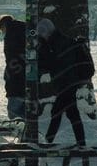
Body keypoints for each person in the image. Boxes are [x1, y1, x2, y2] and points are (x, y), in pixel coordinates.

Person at [36, 17, 93, 148]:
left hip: (66, 83)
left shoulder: (56, 43)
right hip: (69, 82)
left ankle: (49, 142)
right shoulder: (60, 40)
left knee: (60, 113)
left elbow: (53, 63)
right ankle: (80, 143)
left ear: (45, 32)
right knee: (68, 114)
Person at [0, 14, 27, 120]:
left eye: (2, 30)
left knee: (14, 114)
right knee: (24, 112)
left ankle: (21, 132)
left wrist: (9, 73)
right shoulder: (23, 29)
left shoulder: (11, 36)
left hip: (16, 81)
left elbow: (10, 58)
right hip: (25, 79)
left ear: (4, 25)